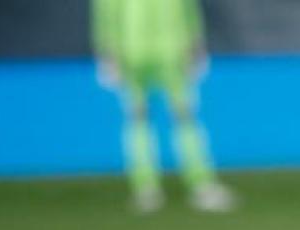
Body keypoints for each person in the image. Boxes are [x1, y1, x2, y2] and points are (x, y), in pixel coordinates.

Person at [92, 0, 236, 213]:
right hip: (157, 50)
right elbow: (105, 13)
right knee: (162, 118)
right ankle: (164, 188)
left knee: (164, 118)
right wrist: (106, 53)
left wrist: (106, 51)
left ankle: (174, 187)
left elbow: (105, 14)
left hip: (149, 50)